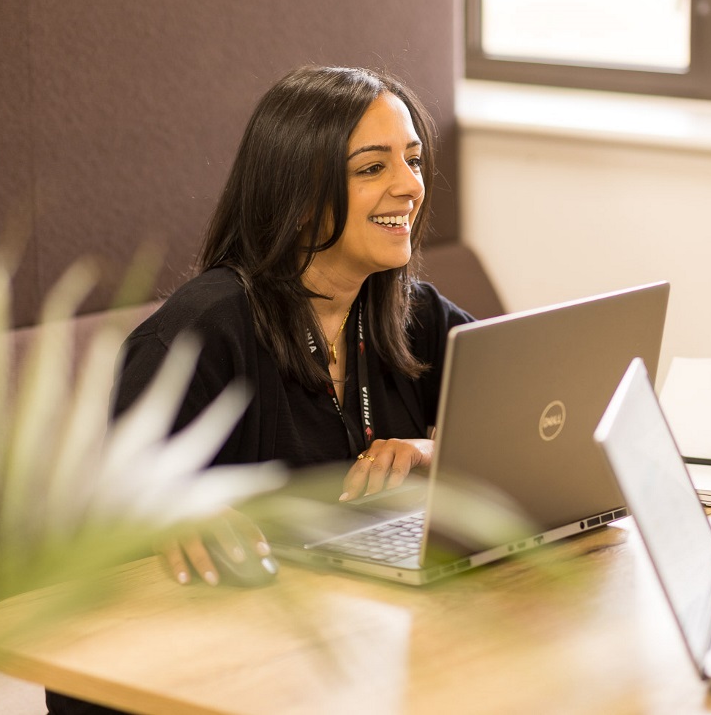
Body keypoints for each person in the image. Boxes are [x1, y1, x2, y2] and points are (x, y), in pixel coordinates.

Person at [45, 65, 474, 714]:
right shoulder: (202, 331)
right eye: (371, 168)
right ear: (298, 193)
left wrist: (433, 453)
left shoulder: (412, 313)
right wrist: (174, 511)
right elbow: (103, 532)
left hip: (346, 651)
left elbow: (537, 425)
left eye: (412, 160)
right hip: (195, 671)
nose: (409, 186)